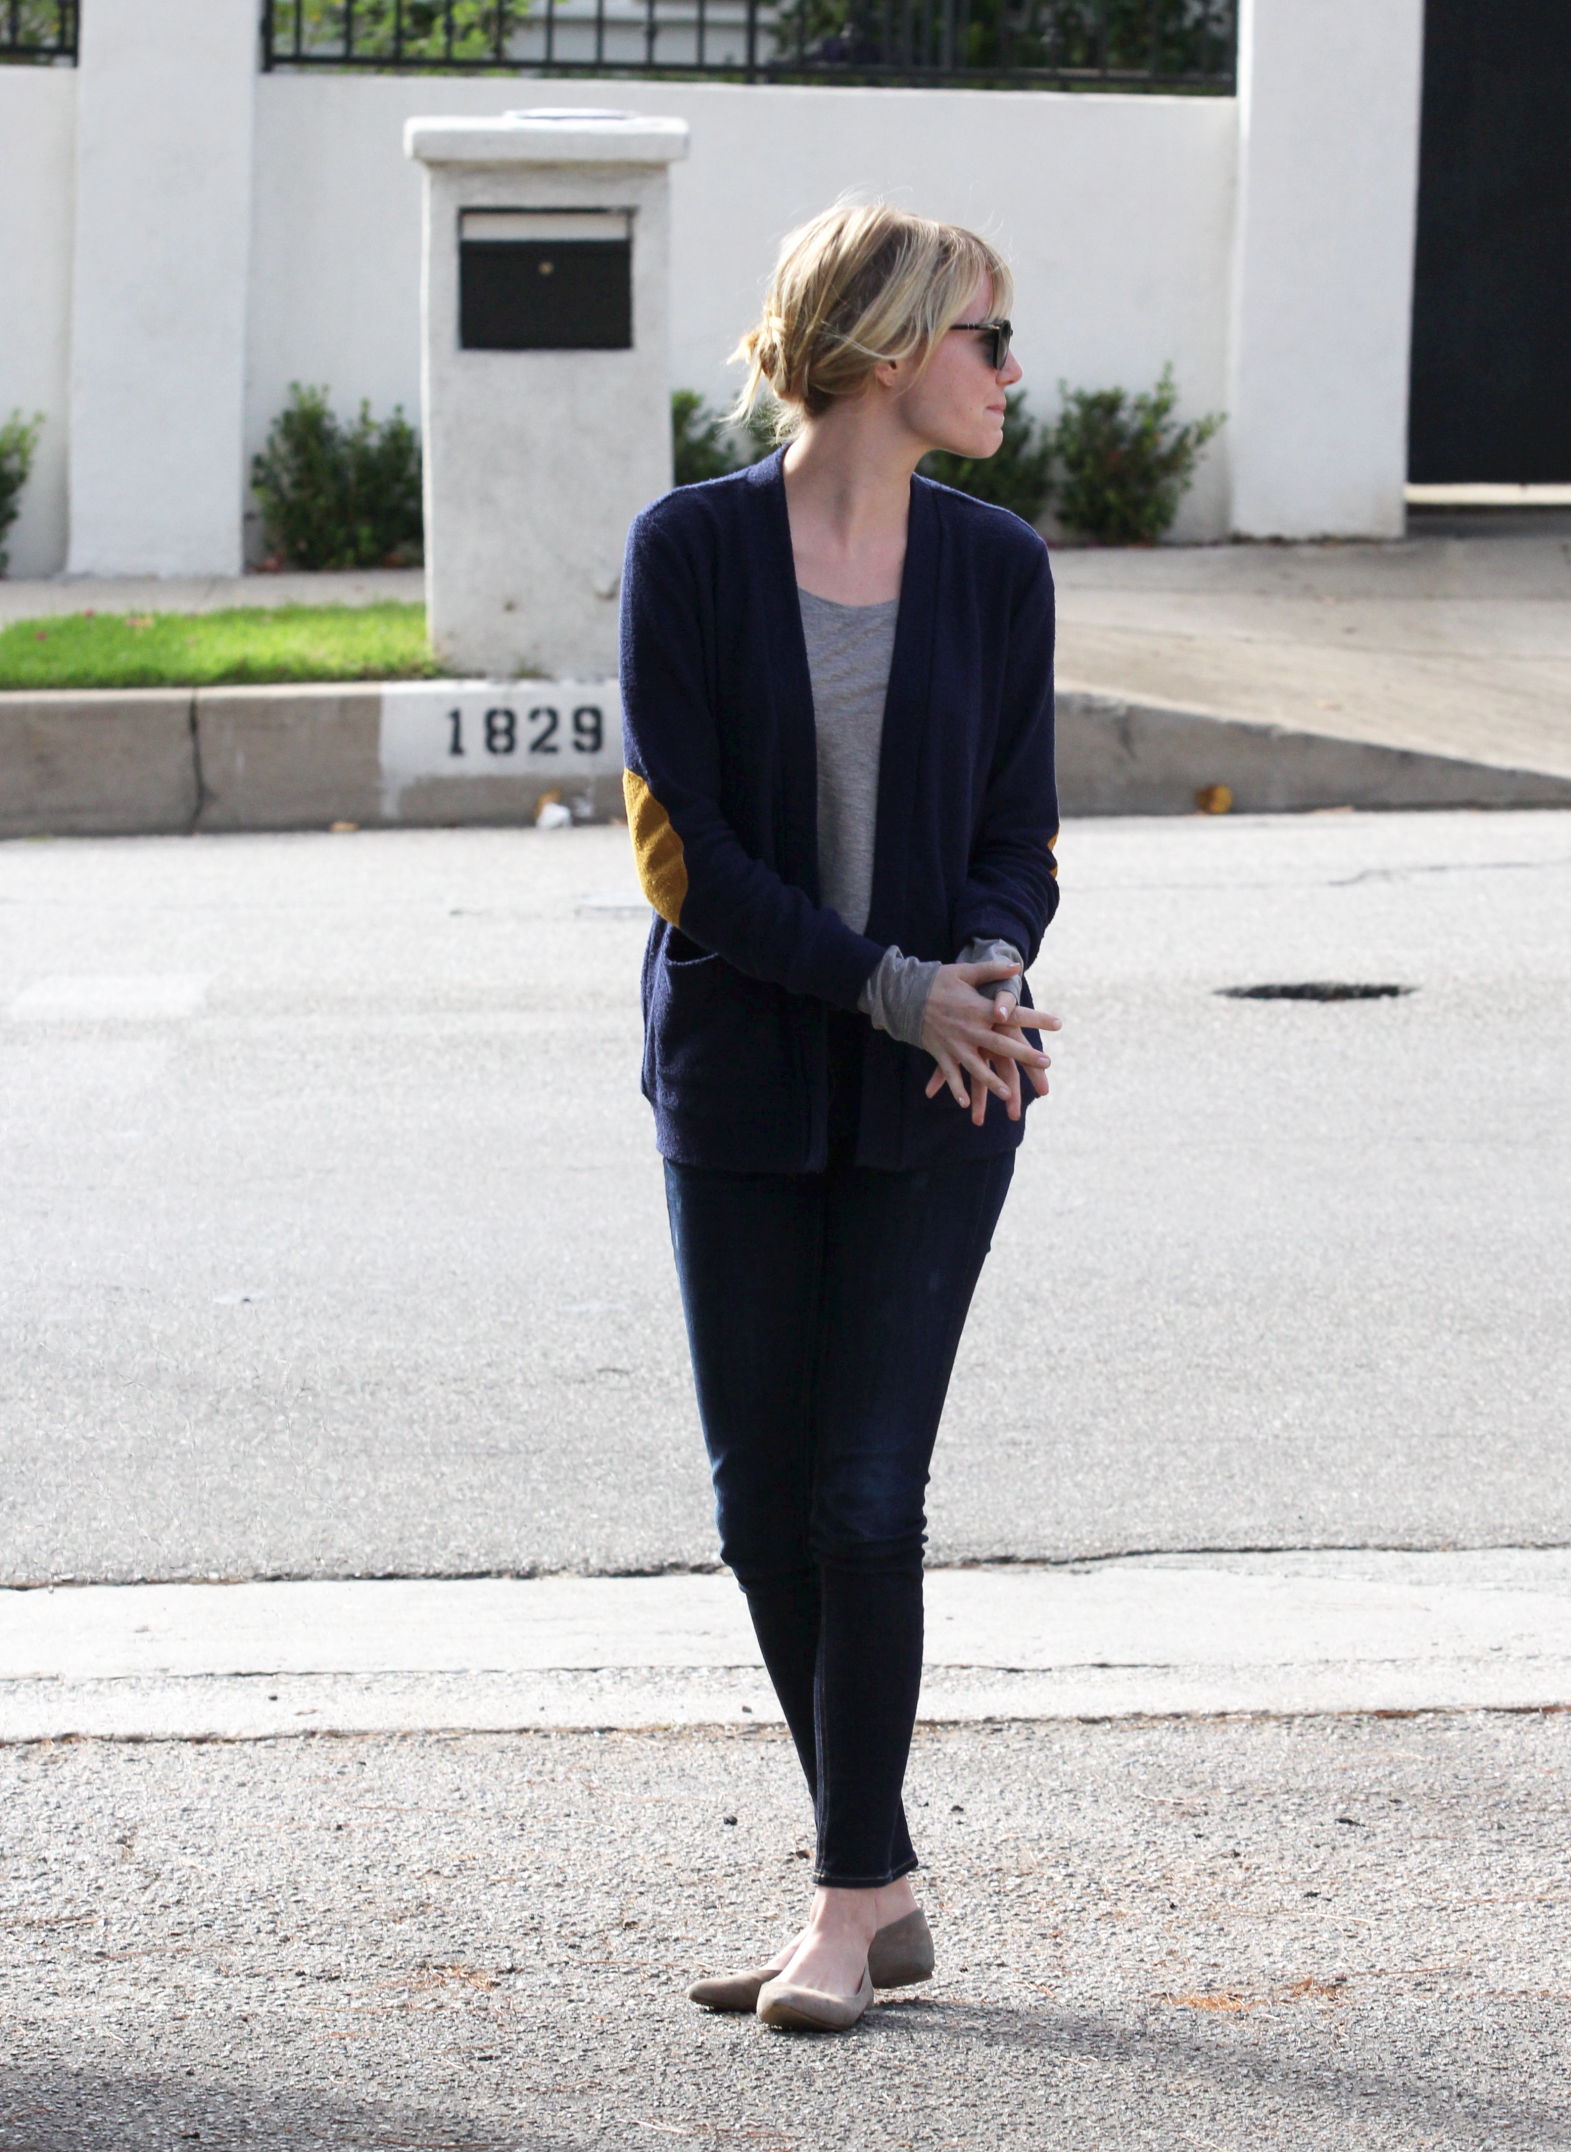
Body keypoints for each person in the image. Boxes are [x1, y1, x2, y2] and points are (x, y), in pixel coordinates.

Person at [618, 201, 1061, 2033]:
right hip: (743, 1075)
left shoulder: (998, 567)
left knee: (866, 1496)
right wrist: (893, 987)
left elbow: (1017, 835)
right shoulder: (690, 550)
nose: (1011, 371)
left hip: (943, 1084)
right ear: (888, 350)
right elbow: (684, 859)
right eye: (986, 336)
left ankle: (842, 1904)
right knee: (760, 1509)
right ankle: (874, 1888)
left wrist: (982, 968)